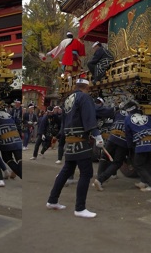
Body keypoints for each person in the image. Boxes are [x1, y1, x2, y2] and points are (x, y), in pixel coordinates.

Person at [46, 77, 102, 218]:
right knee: (86, 173)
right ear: (87, 87)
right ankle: (80, 208)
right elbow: (89, 117)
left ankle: (52, 200)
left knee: (66, 170)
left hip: (70, 139)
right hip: (80, 140)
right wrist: (97, 134)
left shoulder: (68, 99)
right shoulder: (84, 98)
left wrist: (62, 135)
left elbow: (64, 121)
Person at [94, 100, 138, 190]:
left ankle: (99, 178)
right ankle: (100, 179)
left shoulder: (119, 112)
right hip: (123, 139)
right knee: (117, 162)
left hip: (112, 136)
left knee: (104, 157)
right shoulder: (135, 115)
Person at [0, 106, 24, 183]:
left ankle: (21, 174)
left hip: (5, 141)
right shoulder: (9, 116)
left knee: (8, 159)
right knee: (19, 159)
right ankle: (17, 172)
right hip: (17, 139)